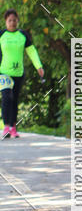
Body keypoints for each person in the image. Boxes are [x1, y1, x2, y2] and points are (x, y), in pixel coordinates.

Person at [0, 10, 44, 138]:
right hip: (3, 72)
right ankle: (6, 127)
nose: (12, 23)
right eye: (10, 20)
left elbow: (31, 51)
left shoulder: (22, 35)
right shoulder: (1, 34)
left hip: (19, 73)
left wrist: (39, 66)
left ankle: (13, 128)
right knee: (7, 97)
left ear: (17, 21)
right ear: (5, 21)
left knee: (15, 100)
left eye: (14, 20)